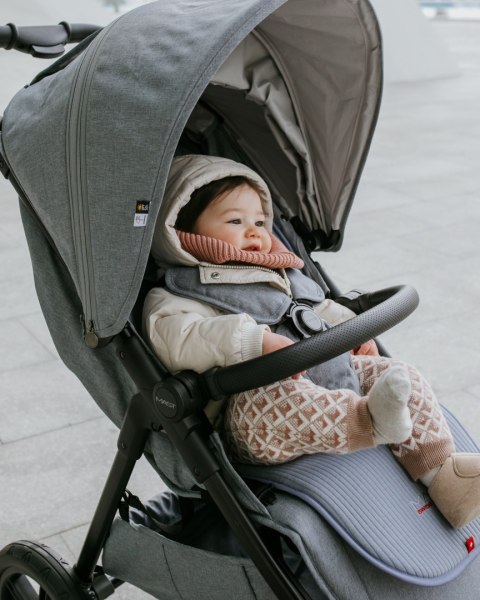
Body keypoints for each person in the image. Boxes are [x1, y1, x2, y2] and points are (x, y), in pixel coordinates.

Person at [144, 154, 480, 529]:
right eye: (235, 221)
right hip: (245, 416)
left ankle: (444, 475)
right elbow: (176, 338)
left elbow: (312, 309)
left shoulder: (278, 273)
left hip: (325, 375)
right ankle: (369, 421)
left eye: (260, 222)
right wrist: (253, 340)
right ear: (182, 228)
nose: (253, 232)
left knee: (397, 374)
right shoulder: (180, 290)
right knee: (277, 402)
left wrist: (353, 332)